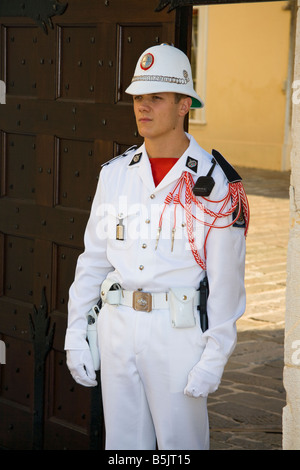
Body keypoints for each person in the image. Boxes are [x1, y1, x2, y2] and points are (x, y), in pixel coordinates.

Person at [64, 43, 249, 450]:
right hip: (118, 329)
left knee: (179, 447)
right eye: (138, 98)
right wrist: (76, 332)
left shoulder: (216, 185)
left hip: (177, 334)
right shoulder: (115, 175)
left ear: (185, 105)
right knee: (124, 448)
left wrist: (215, 355)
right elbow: (93, 261)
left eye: (156, 98)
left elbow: (226, 282)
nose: (142, 108)